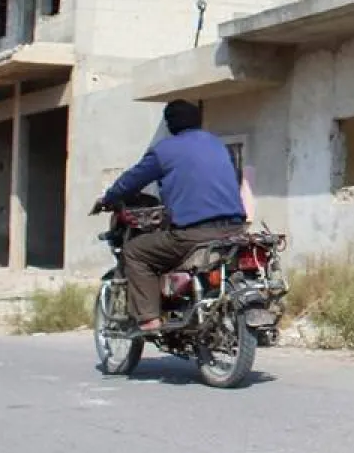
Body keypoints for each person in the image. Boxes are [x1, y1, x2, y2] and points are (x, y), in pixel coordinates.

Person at [92, 99, 248, 335]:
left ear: (170, 124)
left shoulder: (164, 150)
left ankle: (149, 319)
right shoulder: (218, 145)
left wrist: (107, 199)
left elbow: (131, 181)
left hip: (195, 234)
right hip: (236, 230)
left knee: (135, 251)